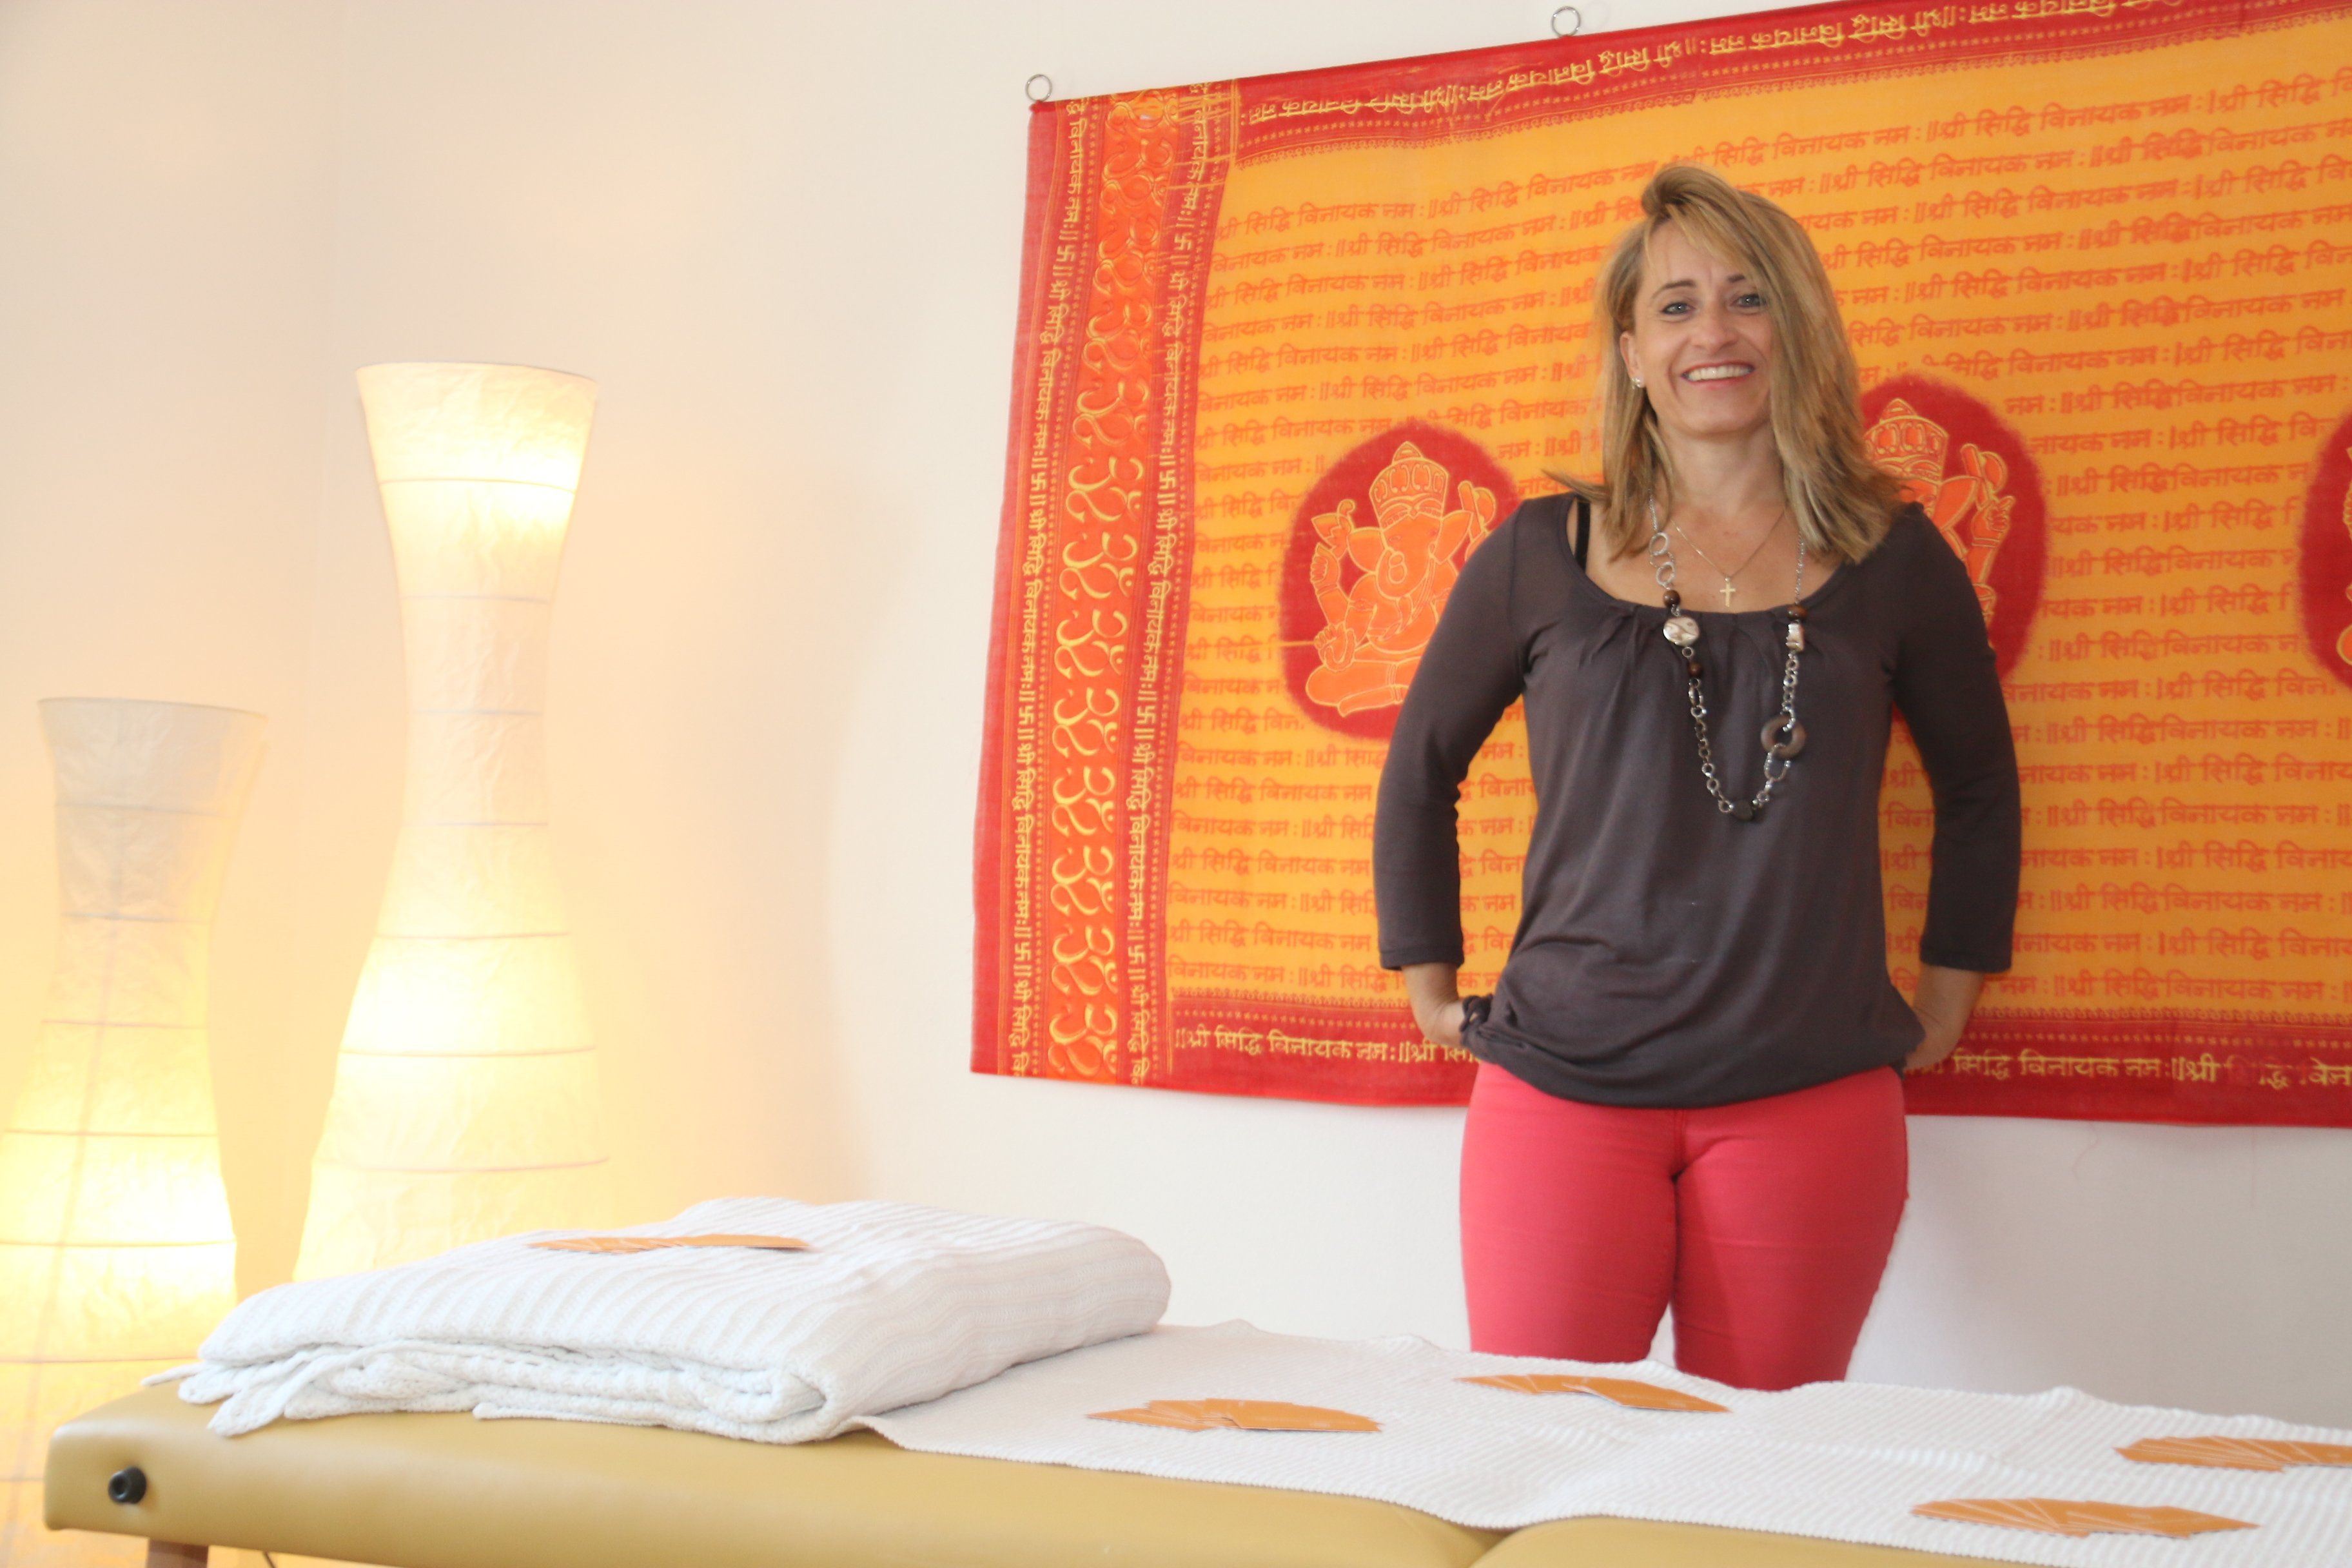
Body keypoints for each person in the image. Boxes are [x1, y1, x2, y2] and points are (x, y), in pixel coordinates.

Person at [1373, 163, 2020, 1392]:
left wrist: (1948, 998)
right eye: (1674, 306)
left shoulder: (1897, 558)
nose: (1712, 333)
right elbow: (1420, 770)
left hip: (1811, 1094)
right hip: (1562, 1089)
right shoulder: (1538, 553)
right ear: (1631, 351)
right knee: (1543, 1438)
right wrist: (1427, 980)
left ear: (1798, 329)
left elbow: (1980, 785)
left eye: (1747, 298)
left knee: (1758, 1463)